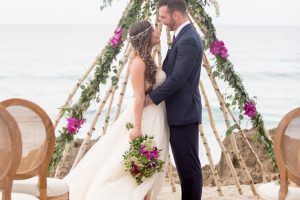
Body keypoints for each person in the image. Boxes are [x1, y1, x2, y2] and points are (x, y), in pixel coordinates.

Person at [64, 20, 170, 200]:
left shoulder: (147, 59)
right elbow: (138, 98)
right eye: (153, 30)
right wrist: (137, 128)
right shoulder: (138, 63)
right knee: (135, 168)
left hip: (156, 117)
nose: (157, 32)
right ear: (145, 36)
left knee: (148, 168)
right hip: (145, 119)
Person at [145, 0, 203, 199]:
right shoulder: (182, 36)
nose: (162, 22)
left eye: (163, 17)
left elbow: (178, 78)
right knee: (185, 169)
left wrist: (151, 98)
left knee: (189, 171)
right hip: (179, 112)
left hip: (184, 113)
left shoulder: (188, 40)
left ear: (176, 15)